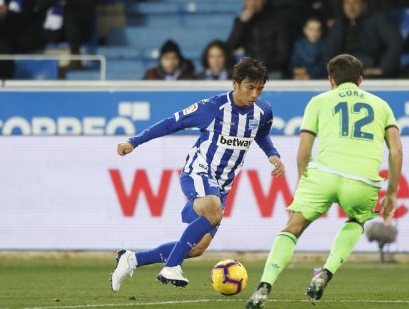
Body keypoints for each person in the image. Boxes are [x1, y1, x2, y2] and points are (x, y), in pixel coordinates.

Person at [111, 57, 285, 291]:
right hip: (199, 170)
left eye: (260, 89)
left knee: (197, 247)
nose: (255, 94)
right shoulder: (212, 108)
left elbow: (261, 134)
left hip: (223, 184)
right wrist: (135, 142)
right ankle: (171, 267)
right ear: (235, 83)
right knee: (214, 211)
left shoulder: (263, 111)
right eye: (250, 87)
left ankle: (132, 259)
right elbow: (172, 123)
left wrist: (272, 154)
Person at [246, 54, 403, 309]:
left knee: (293, 226)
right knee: (358, 220)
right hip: (362, 181)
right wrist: (392, 193)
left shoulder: (319, 101)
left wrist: (302, 182)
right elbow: (396, 151)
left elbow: (304, 151)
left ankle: (265, 284)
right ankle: (325, 273)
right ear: (360, 80)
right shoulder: (382, 105)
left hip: (324, 175)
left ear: (330, 80)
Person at [324, 0, 403, 78]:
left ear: (364, 5)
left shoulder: (378, 19)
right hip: (343, 73)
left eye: (355, 3)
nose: (350, 8)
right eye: (347, 3)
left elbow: (396, 43)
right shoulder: (339, 23)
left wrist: (383, 69)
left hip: (372, 73)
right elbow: (329, 50)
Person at [226, 0, 291, 78]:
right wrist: (242, 23)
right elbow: (231, 45)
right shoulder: (242, 22)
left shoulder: (278, 20)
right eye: (248, 0)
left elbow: (283, 53)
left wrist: (263, 67)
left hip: (273, 71)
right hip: (250, 72)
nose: (252, 3)